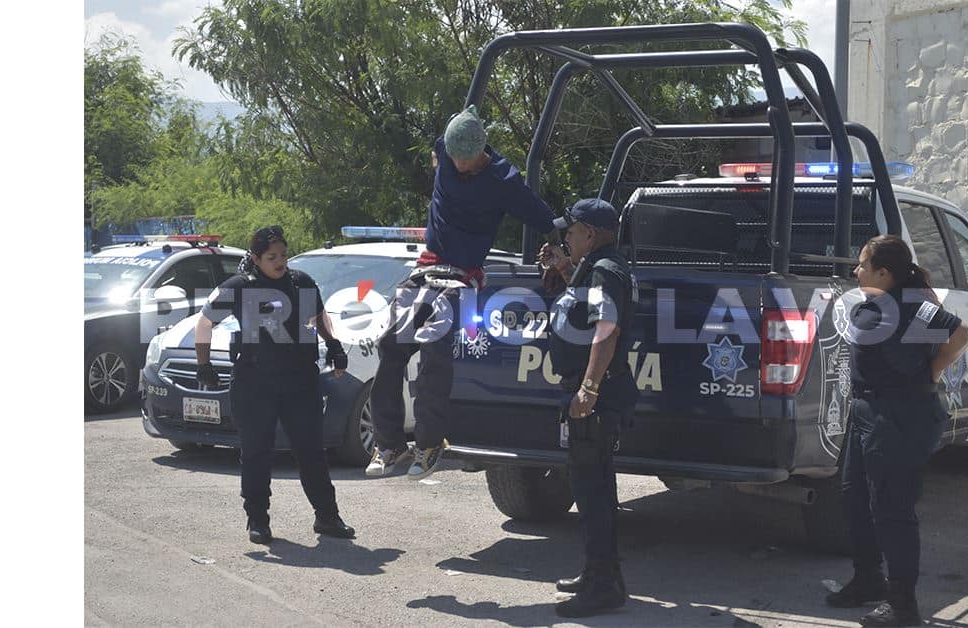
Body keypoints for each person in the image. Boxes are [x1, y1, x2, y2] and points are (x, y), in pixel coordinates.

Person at [366, 105, 559, 480]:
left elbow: (542, 217)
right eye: (450, 158)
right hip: (424, 271)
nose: (455, 165)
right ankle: (389, 445)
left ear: (480, 152)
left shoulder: (504, 180)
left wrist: (560, 244)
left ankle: (429, 443)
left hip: (462, 278)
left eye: (463, 160)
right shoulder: (447, 147)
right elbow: (461, 116)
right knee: (390, 344)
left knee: (434, 348)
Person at [825, 234, 968, 627]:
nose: (856, 270)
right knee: (855, 497)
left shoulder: (913, 303)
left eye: (862, 264)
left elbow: (959, 335)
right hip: (867, 410)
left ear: (884, 272)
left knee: (891, 508)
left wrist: (931, 372)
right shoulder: (882, 300)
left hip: (900, 413)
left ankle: (903, 605)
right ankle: (868, 580)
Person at [195, 226, 356, 544]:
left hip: (300, 382)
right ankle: (258, 520)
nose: (280, 261)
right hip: (255, 385)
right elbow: (204, 322)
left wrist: (335, 346)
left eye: (283, 254)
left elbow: (320, 316)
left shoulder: (301, 282)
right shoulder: (240, 287)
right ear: (255, 258)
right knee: (257, 453)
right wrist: (204, 365)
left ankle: (327, 516)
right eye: (272, 257)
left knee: (311, 452)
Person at [539, 198, 637, 618]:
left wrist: (588, 389)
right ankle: (602, 574)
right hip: (593, 393)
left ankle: (602, 587)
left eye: (573, 231)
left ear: (591, 234)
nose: (567, 237)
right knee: (594, 488)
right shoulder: (595, 267)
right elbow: (582, 310)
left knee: (593, 492)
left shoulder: (604, 271)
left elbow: (606, 331)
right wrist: (563, 267)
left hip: (597, 396)